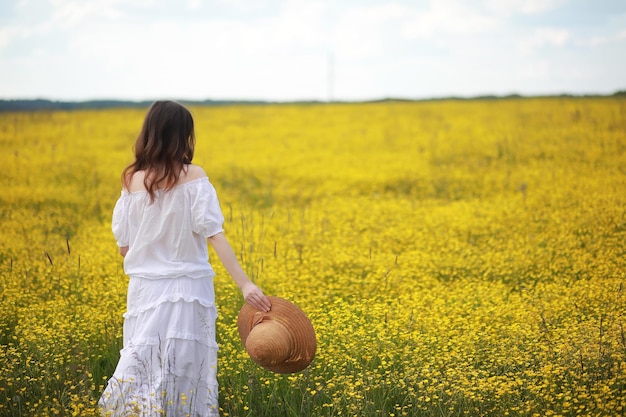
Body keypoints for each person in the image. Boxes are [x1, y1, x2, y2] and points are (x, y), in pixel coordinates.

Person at [98, 100, 271, 416]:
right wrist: (245, 285)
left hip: (145, 291)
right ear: (183, 136)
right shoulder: (194, 177)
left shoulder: (131, 180)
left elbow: (124, 247)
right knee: (185, 373)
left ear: (149, 133)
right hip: (188, 290)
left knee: (140, 367)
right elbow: (213, 234)